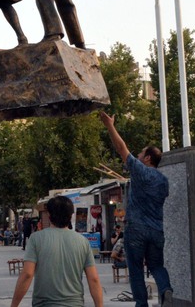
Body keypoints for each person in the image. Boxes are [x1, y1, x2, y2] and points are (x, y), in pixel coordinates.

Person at [99, 111, 172, 307]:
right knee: (157, 265)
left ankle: (142, 304)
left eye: (141, 153)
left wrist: (110, 126)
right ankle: (165, 289)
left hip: (136, 229)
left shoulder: (141, 171)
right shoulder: (164, 181)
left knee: (137, 270)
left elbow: (122, 148)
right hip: (157, 229)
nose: (137, 156)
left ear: (148, 158)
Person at [10, 195, 103, 307]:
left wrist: (14, 305)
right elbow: (93, 279)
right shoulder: (83, 242)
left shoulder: (36, 239)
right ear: (71, 215)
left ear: (49, 214)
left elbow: (27, 274)